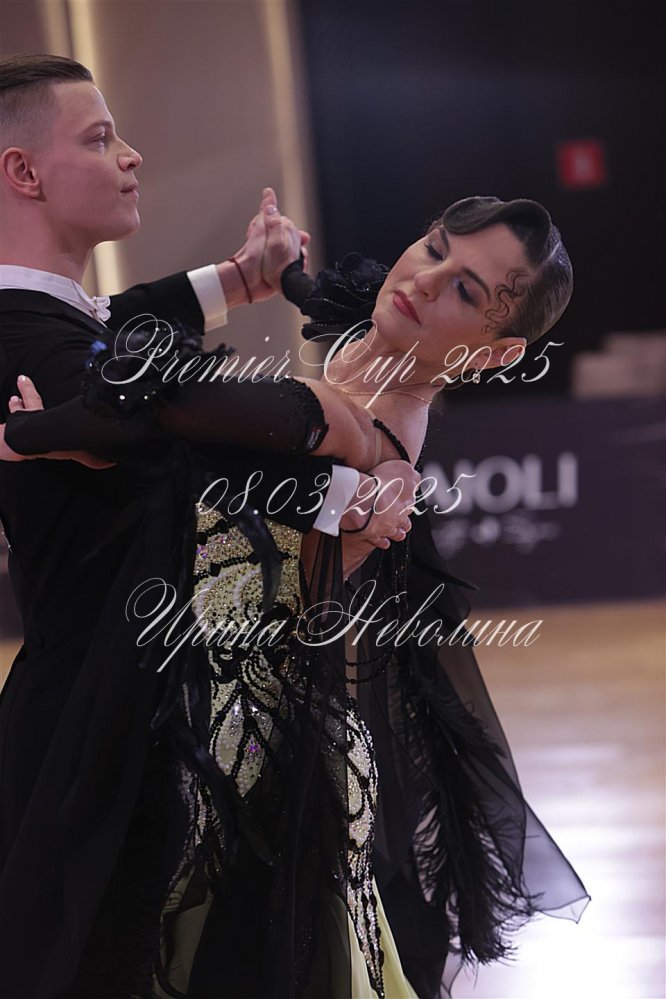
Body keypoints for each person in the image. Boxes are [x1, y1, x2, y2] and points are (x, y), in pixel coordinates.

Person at [2, 193, 591, 998]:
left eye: (465, 290)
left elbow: (165, 410)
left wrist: (32, 434)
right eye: (433, 247)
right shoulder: (382, 342)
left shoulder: (353, 426)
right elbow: (330, 298)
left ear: (494, 356)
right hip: (193, 685)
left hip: (218, 738)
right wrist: (278, 272)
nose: (422, 280)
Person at [0, 53, 416, 999]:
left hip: (137, 708)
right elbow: (175, 423)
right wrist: (340, 459)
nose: (132, 156)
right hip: (106, 732)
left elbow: (123, 328)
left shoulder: (49, 321)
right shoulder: (27, 340)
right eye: (100, 139)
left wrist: (236, 278)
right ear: (23, 172)